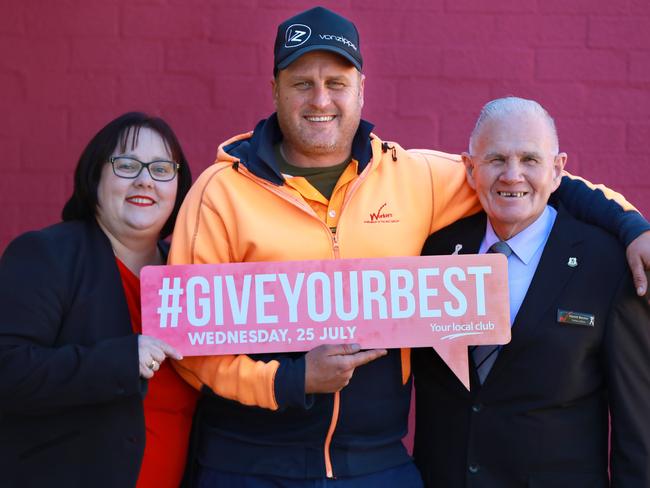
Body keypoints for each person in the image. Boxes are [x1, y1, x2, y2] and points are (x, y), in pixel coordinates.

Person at [169, 7, 650, 487]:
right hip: (249, 462)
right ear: (275, 89)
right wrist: (289, 382)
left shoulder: (413, 177)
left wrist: (632, 227)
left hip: (377, 464)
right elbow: (186, 347)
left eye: (336, 82)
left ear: (360, 88)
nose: (320, 99)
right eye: (301, 83)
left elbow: (528, 180)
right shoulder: (219, 193)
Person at [413, 97, 650, 487]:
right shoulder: (434, 251)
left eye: (530, 160)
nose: (512, 175)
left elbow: (637, 422)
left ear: (558, 171)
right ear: (471, 170)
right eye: (496, 160)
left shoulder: (607, 266)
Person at [0, 112, 198, 487]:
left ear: (178, 187)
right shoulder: (47, 256)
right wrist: (121, 360)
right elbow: (7, 370)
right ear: (96, 176)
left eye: (161, 169)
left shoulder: (191, 277)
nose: (144, 180)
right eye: (126, 165)